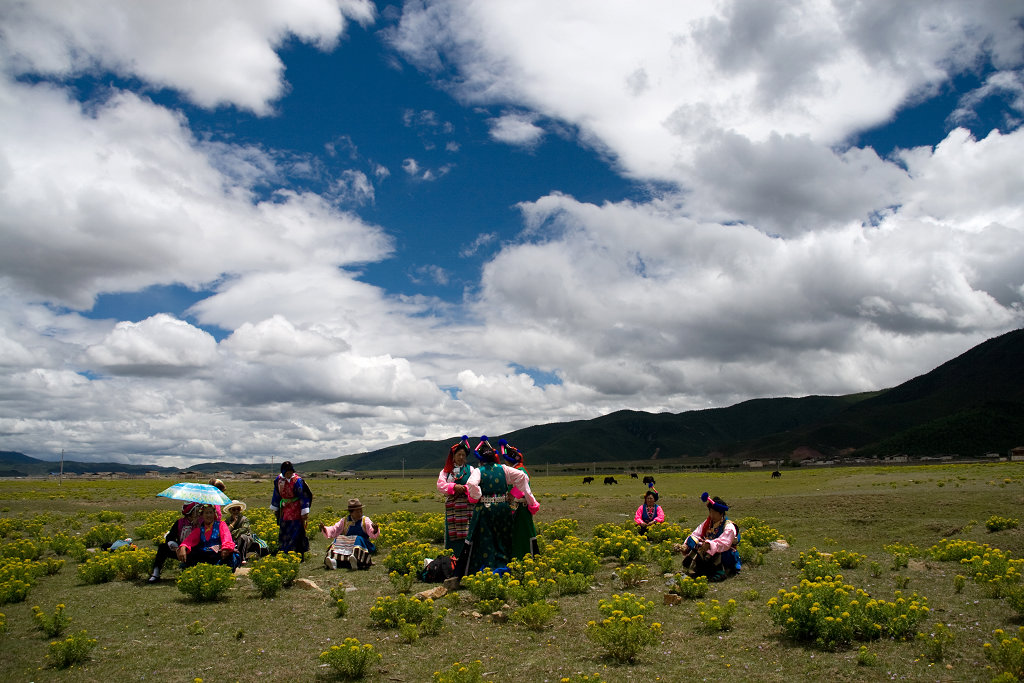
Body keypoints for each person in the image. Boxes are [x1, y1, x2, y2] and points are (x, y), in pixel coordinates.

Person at [458, 436, 539, 576]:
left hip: (486, 509)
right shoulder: (504, 469)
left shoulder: (479, 471)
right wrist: (526, 498)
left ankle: (488, 566)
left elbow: (471, 484)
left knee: (486, 538)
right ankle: (506, 565)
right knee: (503, 537)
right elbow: (523, 477)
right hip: (503, 509)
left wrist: (476, 496)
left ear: (481, 460)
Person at [681, 492, 740, 582]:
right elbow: (696, 534)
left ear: (721, 514)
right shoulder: (708, 523)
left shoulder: (729, 526)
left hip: (724, 553)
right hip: (708, 550)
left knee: (721, 551)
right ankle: (699, 569)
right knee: (693, 540)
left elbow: (725, 543)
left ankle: (720, 572)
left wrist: (710, 544)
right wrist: (686, 545)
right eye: (710, 512)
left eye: (714, 512)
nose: (711, 515)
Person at [499, 438, 539, 559]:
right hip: (518, 507)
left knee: (524, 533)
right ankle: (519, 557)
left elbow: (522, 489)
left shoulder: (520, 471)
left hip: (522, 506)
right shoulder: (517, 469)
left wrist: (511, 495)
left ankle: (528, 556)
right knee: (518, 533)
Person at [437, 436, 475, 558]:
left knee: (467, 532)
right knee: (452, 534)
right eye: (458, 454)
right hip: (452, 509)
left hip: (467, 507)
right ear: (453, 456)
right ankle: (452, 559)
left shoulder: (471, 470)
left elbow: (476, 484)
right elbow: (441, 485)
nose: (461, 457)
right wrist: (453, 487)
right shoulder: (446, 471)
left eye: (463, 455)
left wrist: (464, 488)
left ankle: (467, 559)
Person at [319, 498, 379, 570]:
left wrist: (375, 530)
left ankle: (355, 558)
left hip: (364, 545)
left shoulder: (365, 520)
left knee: (358, 538)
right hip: (348, 545)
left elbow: (371, 531)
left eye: (361, 511)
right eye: (357, 512)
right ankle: (332, 560)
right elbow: (335, 529)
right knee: (338, 538)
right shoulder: (344, 521)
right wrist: (324, 528)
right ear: (351, 513)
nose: (360, 513)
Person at [176, 504, 240, 570]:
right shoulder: (200, 529)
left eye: (211, 513)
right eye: (206, 513)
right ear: (202, 515)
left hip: (219, 554)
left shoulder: (221, 525)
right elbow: (189, 540)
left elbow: (226, 537)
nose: (209, 515)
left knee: (228, 556)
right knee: (192, 553)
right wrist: (183, 547)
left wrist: (225, 548)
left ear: (214, 514)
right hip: (205, 554)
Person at [147, 502, 199, 583]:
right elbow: (170, 537)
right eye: (196, 512)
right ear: (190, 513)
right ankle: (156, 573)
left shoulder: (201, 523)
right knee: (162, 547)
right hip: (179, 549)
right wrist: (175, 548)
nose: (199, 513)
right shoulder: (180, 522)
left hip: (195, 550)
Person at [270, 461, 313, 559]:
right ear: (283, 472)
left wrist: (304, 510)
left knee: (297, 530)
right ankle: (284, 551)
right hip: (285, 509)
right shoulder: (278, 480)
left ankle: (298, 552)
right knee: (284, 530)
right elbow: (276, 494)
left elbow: (304, 495)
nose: (289, 475)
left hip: (296, 509)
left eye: (290, 473)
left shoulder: (297, 481)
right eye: (287, 473)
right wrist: (276, 508)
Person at [224, 500, 255, 564]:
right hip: (232, 539)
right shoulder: (228, 520)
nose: (236, 511)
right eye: (234, 509)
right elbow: (226, 531)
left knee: (242, 537)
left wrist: (232, 533)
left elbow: (244, 529)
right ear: (230, 510)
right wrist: (234, 522)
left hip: (245, 539)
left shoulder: (244, 519)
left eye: (238, 509)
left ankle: (242, 558)